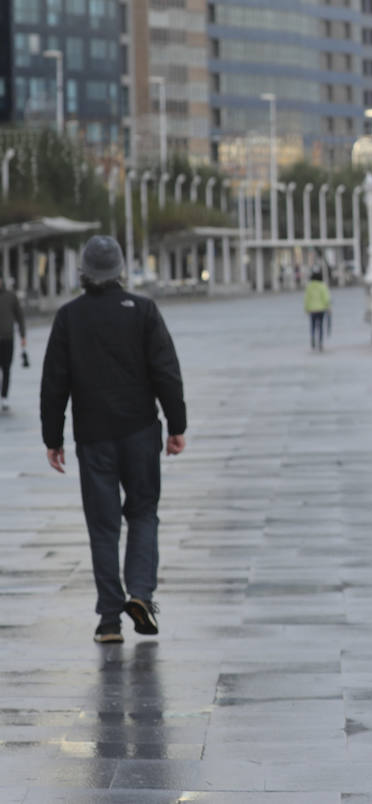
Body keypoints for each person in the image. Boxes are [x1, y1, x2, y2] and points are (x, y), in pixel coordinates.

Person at [40, 236, 187, 644]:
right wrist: (177, 425)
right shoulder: (143, 311)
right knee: (142, 513)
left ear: (83, 272)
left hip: (94, 438)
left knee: (103, 528)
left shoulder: (69, 317)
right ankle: (140, 593)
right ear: (120, 270)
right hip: (140, 431)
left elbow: (54, 382)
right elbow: (166, 371)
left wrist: (52, 437)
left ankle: (109, 620)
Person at [0, 275, 25, 412]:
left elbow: (19, 316)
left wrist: (23, 335)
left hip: (8, 339)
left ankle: (4, 397)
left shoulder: (10, 297)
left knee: (6, 369)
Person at [304, 268, 331, 351]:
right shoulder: (322, 286)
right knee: (321, 326)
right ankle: (320, 342)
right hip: (321, 309)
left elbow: (306, 299)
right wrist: (328, 306)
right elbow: (326, 298)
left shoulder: (309, 287)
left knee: (312, 326)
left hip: (312, 309)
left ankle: (312, 339)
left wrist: (306, 308)